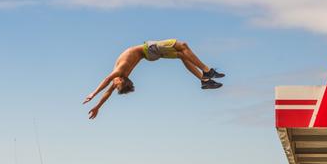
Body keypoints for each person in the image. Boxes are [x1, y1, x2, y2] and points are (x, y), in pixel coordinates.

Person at [83, 39, 225, 119]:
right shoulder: (120, 72)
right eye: (116, 84)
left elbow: (107, 91)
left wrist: (97, 106)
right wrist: (93, 94)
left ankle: (204, 81)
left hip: (148, 55)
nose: (114, 84)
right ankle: (207, 71)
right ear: (121, 80)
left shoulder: (120, 75)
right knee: (183, 46)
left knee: (182, 54)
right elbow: (107, 82)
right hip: (147, 50)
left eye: (115, 84)